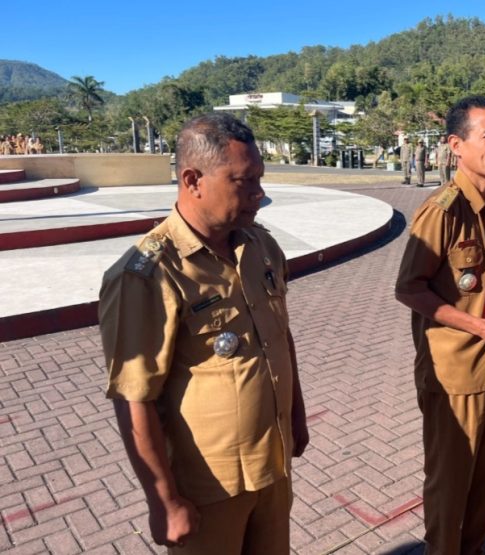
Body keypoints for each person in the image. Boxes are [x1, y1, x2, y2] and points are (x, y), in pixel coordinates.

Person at [98, 113, 309, 554]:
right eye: (244, 181)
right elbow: (134, 396)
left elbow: (280, 336)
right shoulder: (148, 275)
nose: (259, 194)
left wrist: (297, 415)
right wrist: (163, 500)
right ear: (193, 180)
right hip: (209, 487)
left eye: (260, 179)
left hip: (273, 467)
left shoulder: (260, 246)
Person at [395, 95, 485, 554]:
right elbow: (409, 289)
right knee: (451, 481)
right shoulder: (442, 211)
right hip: (454, 372)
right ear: (457, 145)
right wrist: (481, 327)